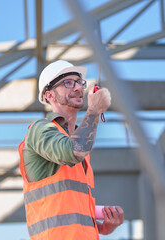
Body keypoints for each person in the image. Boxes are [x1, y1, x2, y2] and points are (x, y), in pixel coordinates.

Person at [18, 60, 124, 239]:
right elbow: (73, 151)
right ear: (49, 95)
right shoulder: (40, 130)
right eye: (67, 83)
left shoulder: (79, 145)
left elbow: (71, 211)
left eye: (79, 82)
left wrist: (104, 227)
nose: (77, 87)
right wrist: (94, 110)